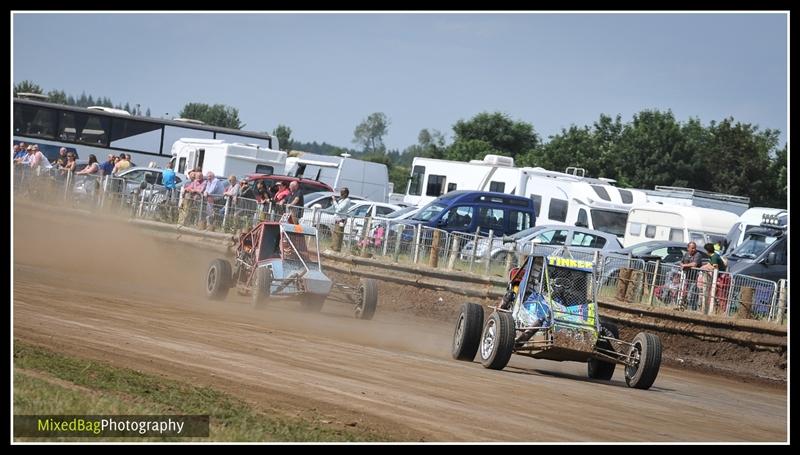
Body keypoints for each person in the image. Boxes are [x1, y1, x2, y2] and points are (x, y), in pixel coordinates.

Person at [679, 241, 704, 310]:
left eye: (694, 248)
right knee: (683, 293)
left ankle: (691, 309)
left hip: (694, 278)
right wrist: (682, 264)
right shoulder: (686, 254)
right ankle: (682, 307)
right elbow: (681, 262)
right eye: (692, 248)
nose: (694, 249)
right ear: (688, 248)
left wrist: (685, 265)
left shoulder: (698, 255)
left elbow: (694, 264)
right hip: (686, 277)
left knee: (691, 294)